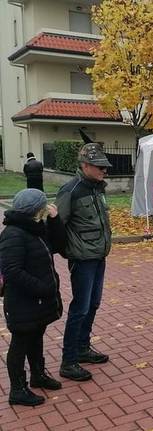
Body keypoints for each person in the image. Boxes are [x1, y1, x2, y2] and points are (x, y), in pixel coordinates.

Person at [0, 189, 65, 406]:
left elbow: (57, 245)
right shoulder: (14, 234)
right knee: (20, 343)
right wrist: (43, 288)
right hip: (23, 302)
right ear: (36, 209)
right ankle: (17, 390)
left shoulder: (34, 228)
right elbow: (12, 271)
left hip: (36, 302)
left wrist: (55, 220)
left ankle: (38, 376)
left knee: (36, 337)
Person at [55, 143, 113, 382]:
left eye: (105, 167)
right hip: (82, 259)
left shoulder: (98, 188)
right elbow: (57, 225)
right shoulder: (71, 190)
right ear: (85, 165)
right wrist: (67, 251)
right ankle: (68, 361)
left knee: (94, 303)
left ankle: (82, 347)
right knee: (80, 307)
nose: (104, 171)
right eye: (100, 167)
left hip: (99, 256)